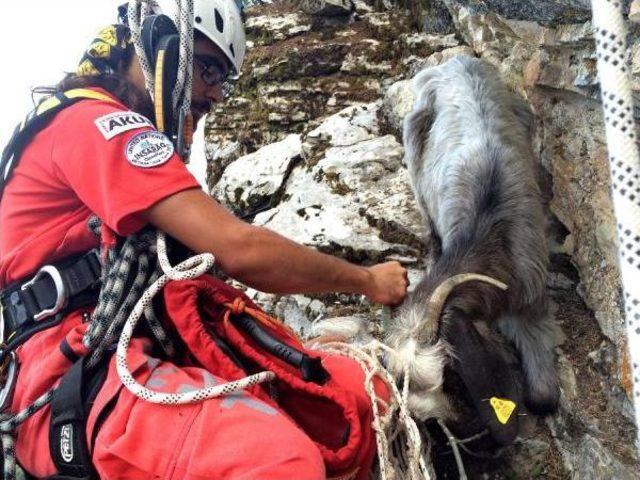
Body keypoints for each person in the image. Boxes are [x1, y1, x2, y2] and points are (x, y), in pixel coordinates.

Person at [0, 1, 408, 479]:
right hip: (68, 374)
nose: (215, 92)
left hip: (132, 348)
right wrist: (367, 280)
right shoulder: (96, 125)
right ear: (158, 48)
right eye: (208, 67)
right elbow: (240, 249)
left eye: (224, 79)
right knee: (277, 462)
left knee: (365, 397)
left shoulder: (103, 134)